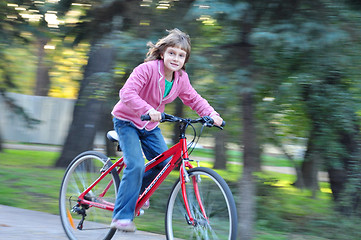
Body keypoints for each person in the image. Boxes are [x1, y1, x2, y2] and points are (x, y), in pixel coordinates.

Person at [110, 28, 223, 232]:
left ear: (185, 59)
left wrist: (212, 115)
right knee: (135, 165)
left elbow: (194, 99)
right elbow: (126, 93)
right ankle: (121, 216)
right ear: (162, 53)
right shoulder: (147, 70)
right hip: (127, 120)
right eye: (172, 53)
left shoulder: (181, 79)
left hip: (150, 126)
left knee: (165, 162)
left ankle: (136, 192)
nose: (175, 58)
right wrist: (148, 109)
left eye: (181, 55)